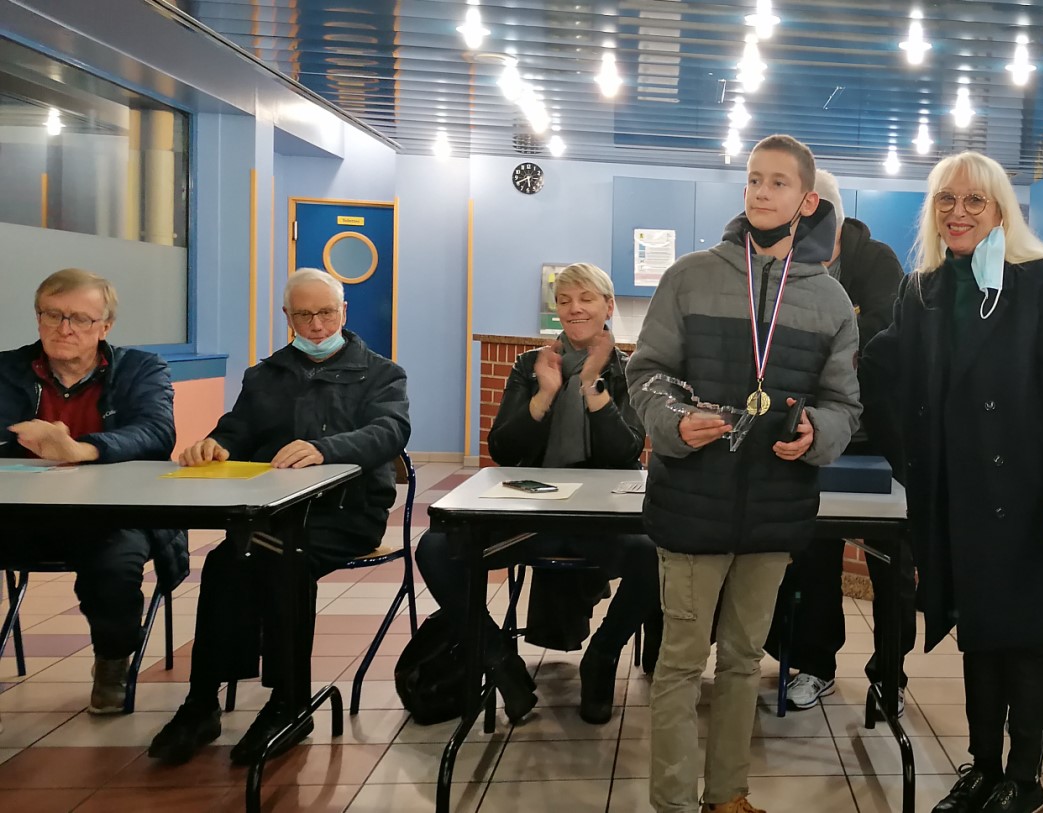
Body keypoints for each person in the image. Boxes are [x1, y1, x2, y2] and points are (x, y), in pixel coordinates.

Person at [859, 151, 1043, 813]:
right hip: (957, 496)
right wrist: (906, 458)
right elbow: (877, 368)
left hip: (1027, 494)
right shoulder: (923, 289)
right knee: (979, 635)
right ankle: (984, 767)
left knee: (1023, 638)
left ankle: (1024, 780)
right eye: (946, 200)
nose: (958, 212)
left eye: (974, 200)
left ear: (1000, 210)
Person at [628, 134, 862, 813]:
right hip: (691, 501)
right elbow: (646, 374)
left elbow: (844, 405)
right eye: (754, 179)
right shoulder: (690, 277)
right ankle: (674, 801)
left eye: (778, 182)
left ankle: (727, 793)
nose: (761, 191)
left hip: (775, 510)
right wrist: (674, 422)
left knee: (742, 661)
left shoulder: (832, 302)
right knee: (679, 663)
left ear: (807, 201)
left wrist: (818, 432)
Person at [147, 268, 411, 766]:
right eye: (304, 315)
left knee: (285, 561)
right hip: (275, 512)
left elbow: (390, 432)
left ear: (344, 311)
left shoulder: (380, 373)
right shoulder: (266, 374)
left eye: (326, 313)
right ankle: (202, 702)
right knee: (226, 562)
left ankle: (290, 702)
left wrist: (325, 449)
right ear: (287, 316)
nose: (317, 325)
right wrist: (214, 444)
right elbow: (237, 429)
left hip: (346, 513)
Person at [415, 261, 655, 726]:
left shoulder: (630, 369)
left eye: (585, 299)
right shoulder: (530, 366)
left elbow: (625, 451)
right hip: (534, 517)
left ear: (608, 306)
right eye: (564, 301)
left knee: (658, 552)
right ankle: (499, 660)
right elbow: (503, 449)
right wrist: (544, 395)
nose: (574, 309)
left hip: (602, 521)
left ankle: (603, 656)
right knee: (436, 548)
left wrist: (592, 387)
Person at [0, 269, 185, 715]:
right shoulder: (6, 370)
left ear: (105, 327)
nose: (65, 329)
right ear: (38, 318)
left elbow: (157, 433)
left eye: (80, 319)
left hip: (113, 515)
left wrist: (82, 450)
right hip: (22, 514)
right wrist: (27, 440)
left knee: (114, 565)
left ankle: (112, 660)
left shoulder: (141, 369)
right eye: (53, 315)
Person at [764, 169, 915, 712]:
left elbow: (879, 336)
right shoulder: (786, 264)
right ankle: (816, 665)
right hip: (814, 430)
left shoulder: (876, 260)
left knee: (891, 565)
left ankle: (890, 675)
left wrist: (817, 342)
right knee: (812, 556)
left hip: (880, 437)